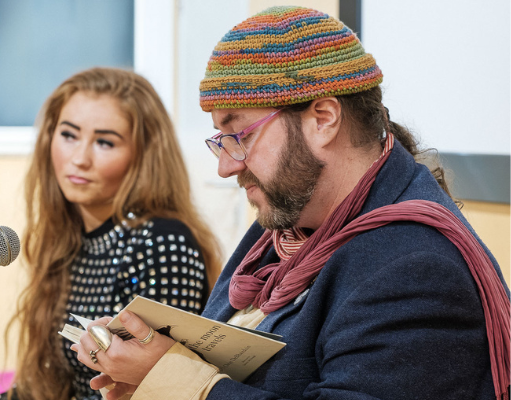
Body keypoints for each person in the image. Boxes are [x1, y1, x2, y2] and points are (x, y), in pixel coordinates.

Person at [72, 7, 510, 400]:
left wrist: (181, 383)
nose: (226, 167)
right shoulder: (287, 224)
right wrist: (147, 381)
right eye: (220, 141)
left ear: (323, 119)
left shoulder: (414, 268)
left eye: (239, 136)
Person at [4, 67, 222, 400]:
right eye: (68, 135)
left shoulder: (161, 242)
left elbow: (159, 388)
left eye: (105, 142)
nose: (79, 158)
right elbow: (46, 381)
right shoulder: (68, 236)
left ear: (143, 156)